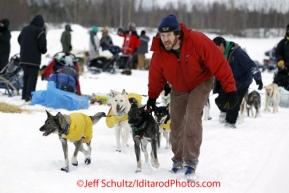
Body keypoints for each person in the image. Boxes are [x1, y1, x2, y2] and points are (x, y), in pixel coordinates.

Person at [146, 14, 238, 180]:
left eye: (168, 35)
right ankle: (178, 160)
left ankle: (190, 162)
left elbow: (219, 63)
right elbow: (155, 76)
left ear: (177, 34)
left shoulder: (197, 40)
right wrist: (152, 98)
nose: (165, 39)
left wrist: (230, 89)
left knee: (192, 117)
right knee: (176, 122)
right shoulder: (160, 52)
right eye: (162, 35)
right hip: (178, 86)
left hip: (201, 81)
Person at [212, 36, 263, 128]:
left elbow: (251, 64)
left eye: (215, 48)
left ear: (222, 45)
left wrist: (258, 78)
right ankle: (224, 112)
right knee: (220, 100)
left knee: (234, 103)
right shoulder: (218, 54)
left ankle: (230, 123)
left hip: (241, 82)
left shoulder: (238, 53)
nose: (214, 50)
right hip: (228, 80)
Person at [18, 15, 47, 104]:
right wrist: (43, 50)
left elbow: (19, 39)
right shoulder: (39, 31)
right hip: (33, 60)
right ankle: (29, 98)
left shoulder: (25, 29)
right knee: (32, 78)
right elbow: (42, 46)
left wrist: (25, 45)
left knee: (26, 77)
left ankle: (24, 96)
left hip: (23, 58)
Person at [273, 24, 289, 90]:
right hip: (284, 69)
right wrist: (280, 60)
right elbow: (277, 53)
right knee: (278, 81)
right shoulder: (282, 43)